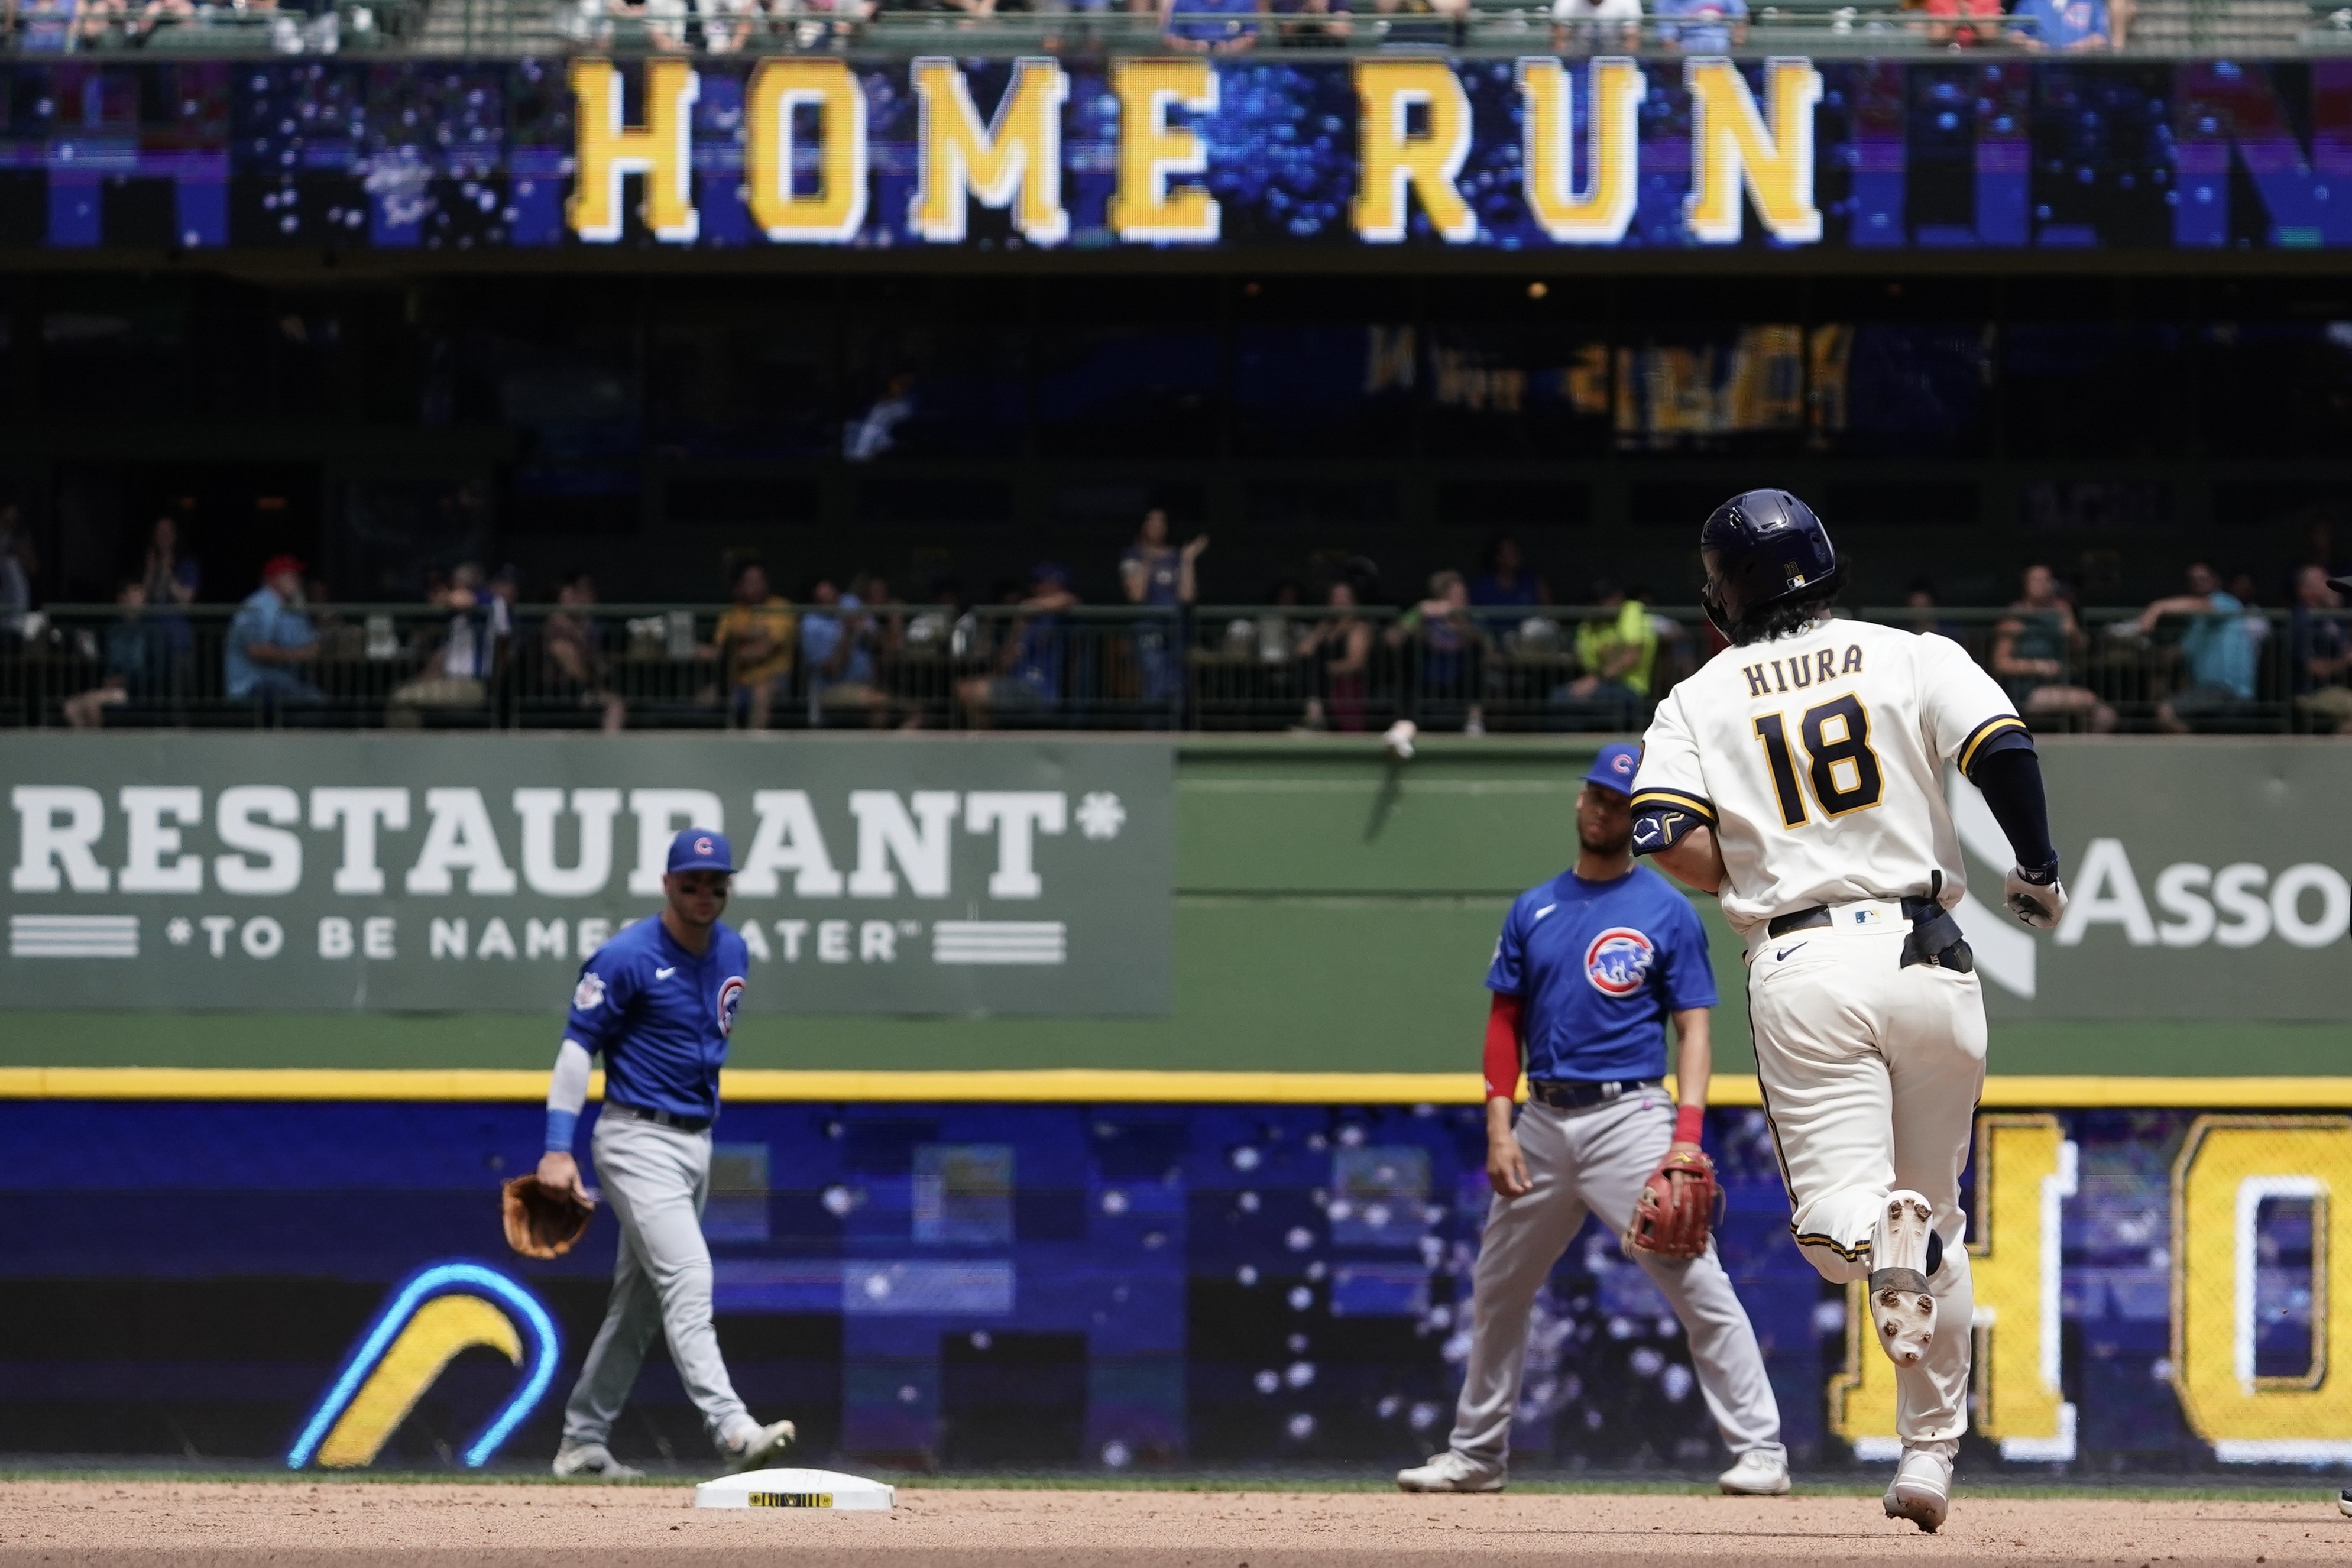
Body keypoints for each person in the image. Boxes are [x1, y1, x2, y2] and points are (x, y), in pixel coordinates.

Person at [1628, 490, 2066, 1534]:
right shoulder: (1907, 651)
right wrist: (2037, 863)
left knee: (1843, 1237)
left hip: (1806, 958)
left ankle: (1884, 1237)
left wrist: (1759, 861)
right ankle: (1927, 1453)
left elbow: (1657, 830)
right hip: (1932, 952)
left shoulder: (1697, 696)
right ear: (1824, 566)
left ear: (1721, 597)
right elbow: (2000, 745)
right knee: (1935, 1221)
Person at [1395, 743, 1789, 1499]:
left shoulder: (1666, 910)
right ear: (1580, 802)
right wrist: (1499, 1127)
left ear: (1639, 819)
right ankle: (1476, 1454)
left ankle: (1761, 1452)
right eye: (1596, 795)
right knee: (1498, 1288)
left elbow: (1696, 1031)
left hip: (1630, 1114)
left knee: (1696, 1282)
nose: (1602, 808)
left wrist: (1686, 1137)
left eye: (1619, 801)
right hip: (1541, 1118)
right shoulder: (1534, 907)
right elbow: (1502, 1023)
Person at [538, 828, 799, 1481]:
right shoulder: (625, 957)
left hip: (695, 1144)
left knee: (639, 1308)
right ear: (667, 884)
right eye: (691, 883)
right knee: (689, 1275)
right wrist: (556, 1150)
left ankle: (582, 1443)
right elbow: (577, 1049)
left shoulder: (733, 949)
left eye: (716, 883)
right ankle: (733, 1429)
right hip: (634, 1137)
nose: (705, 894)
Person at [1991, 565, 2115, 734]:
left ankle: (2081, 753)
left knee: (2106, 716)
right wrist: (2037, 667)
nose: (2043, 584)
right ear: (2025, 585)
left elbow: (2080, 647)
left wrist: (2071, 627)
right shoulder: (2015, 617)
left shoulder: (2060, 610)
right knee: (2088, 700)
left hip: (2062, 684)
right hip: (2026, 692)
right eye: (2036, 580)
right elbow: (2001, 663)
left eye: (2047, 580)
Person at [2139, 562, 2257, 734]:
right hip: (2205, 691)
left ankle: (2189, 758)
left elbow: (2204, 607)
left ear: (2216, 581)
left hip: (2230, 691)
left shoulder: (2226, 602)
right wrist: (2144, 650)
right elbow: (2178, 653)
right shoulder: (2196, 623)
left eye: (2203, 578)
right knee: (2160, 700)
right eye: (2193, 580)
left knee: (2168, 712)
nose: (2198, 583)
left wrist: (2159, 607)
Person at [387, 562, 509, 727]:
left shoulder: (488, 600)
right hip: (450, 681)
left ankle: (408, 750)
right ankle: (414, 748)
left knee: (401, 698)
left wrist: (440, 597)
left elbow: (461, 600)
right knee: (399, 693)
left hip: (469, 686)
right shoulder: (458, 619)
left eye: (454, 585)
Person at [957, 563, 1078, 728]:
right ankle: (986, 744)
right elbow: (1005, 662)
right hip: (1018, 683)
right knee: (965, 688)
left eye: (1041, 582)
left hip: (1042, 689)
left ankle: (983, 746)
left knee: (968, 691)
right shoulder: (1028, 620)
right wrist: (1018, 626)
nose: (1036, 587)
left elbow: (1070, 600)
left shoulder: (1060, 615)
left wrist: (1028, 607)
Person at [1122, 508, 1207, 718]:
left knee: (1179, 684)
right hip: (1150, 630)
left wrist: (1187, 560)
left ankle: (1178, 730)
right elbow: (1137, 595)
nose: (1157, 527)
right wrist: (1148, 559)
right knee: (1154, 680)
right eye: (1152, 522)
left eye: (1162, 522)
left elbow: (1187, 597)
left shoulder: (1176, 557)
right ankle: (1152, 731)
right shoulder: (1133, 557)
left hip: (1177, 631)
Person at [1550, 581, 1657, 733]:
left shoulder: (1631, 610)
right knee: (1558, 697)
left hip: (1631, 688)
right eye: (1600, 602)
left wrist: (1597, 678)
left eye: (1608, 600)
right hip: (1601, 685)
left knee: (1564, 700)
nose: (1606, 605)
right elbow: (1586, 660)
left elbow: (1632, 655)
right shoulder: (1591, 624)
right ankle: (1574, 750)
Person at [225, 554, 324, 712]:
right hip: (251, 684)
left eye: (295, 575)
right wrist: (299, 655)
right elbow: (255, 650)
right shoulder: (259, 604)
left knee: (317, 698)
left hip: (281, 681)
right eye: (289, 575)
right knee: (311, 700)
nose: (296, 580)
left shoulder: (291, 606)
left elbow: (311, 645)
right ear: (273, 579)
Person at [1395, 569, 1487, 735]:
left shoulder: (1472, 618)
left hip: (1459, 682)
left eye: (1464, 596)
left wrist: (1461, 625)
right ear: (1442, 599)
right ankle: (1405, 727)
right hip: (1428, 679)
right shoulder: (1426, 615)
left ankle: (1474, 722)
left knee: (1476, 668)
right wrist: (1419, 613)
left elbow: (1487, 646)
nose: (1463, 600)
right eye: (1456, 596)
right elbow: (1394, 638)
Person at [63, 581, 164, 728]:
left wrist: (126, 680)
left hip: (136, 691)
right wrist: (109, 679)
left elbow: (154, 669)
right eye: (134, 595)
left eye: (141, 595)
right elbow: (107, 661)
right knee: (70, 708)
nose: (139, 599)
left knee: (91, 705)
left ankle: (99, 748)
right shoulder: (114, 630)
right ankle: (86, 749)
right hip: (111, 689)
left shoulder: (151, 631)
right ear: (122, 599)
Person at [711, 562, 797, 731]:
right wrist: (752, 635)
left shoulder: (781, 607)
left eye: (760, 580)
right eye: (750, 582)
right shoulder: (733, 613)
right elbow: (720, 651)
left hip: (776, 680)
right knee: (706, 698)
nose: (757, 586)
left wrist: (736, 646)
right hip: (739, 681)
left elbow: (764, 651)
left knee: (761, 692)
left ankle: (754, 750)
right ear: (740, 587)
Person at [542, 572, 626, 734]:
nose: (584, 598)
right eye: (573, 595)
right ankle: (610, 751)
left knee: (618, 699)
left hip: (579, 690)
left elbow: (593, 662)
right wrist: (594, 674)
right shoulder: (556, 626)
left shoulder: (585, 626)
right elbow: (574, 669)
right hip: (559, 691)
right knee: (615, 705)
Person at [1297, 580, 1372, 733]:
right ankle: (1313, 716)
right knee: (1304, 671)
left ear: (1353, 601)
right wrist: (1319, 633)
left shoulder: (1359, 628)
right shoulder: (1326, 626)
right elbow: (1303, 651)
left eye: (1344, 598)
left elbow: (1355, 662)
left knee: (1315, 674)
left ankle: (1316, 716)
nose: (1340, 602)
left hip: (1344, 680)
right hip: (1318, 681)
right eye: (1336, 598)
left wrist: (1325, 669)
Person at [2289, 565, 2352, 735]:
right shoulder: (2302, 620)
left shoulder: (2329, 616)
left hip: (2336, 690)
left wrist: (2336, 610)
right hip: (2310, 693)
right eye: (2321, 581)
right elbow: (2314, 668)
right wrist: (2345, 660)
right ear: (2305, 591)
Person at [2010, 0, 2108, 47]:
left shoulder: (2092, 2)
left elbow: (2102, 37)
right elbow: (2013, 34)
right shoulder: (2031, 2)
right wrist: (2029, 43)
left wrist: (2078, 47)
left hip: (2081, 70)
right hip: (2040, 69)